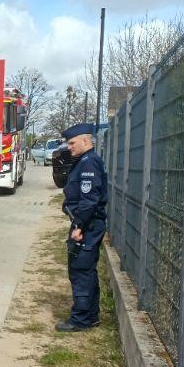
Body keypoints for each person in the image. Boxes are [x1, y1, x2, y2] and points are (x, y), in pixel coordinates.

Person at [56, 122, 108, 332]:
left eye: (72, 143)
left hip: (87, 225)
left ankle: (81, 319)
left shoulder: (88, 163)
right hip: (87, 223)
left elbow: (89, 200)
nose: (69, 147)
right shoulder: (85, 160)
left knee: (80, 271)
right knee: (86, 270)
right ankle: (91, 315)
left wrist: (78, 227)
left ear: (86, 140)